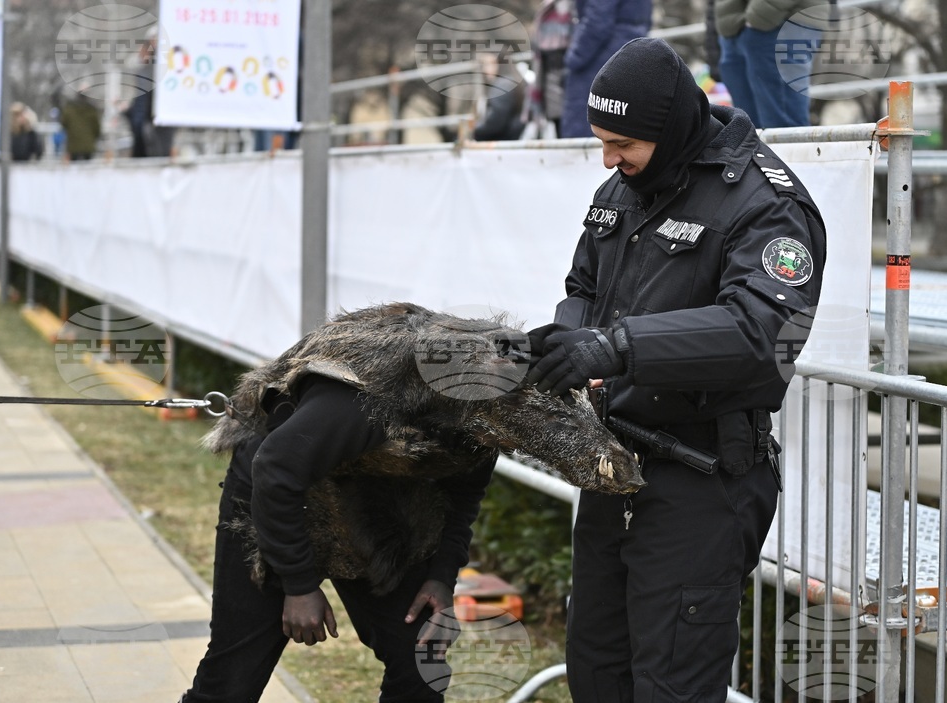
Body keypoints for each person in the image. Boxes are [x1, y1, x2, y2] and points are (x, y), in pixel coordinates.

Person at [524, 37, 827, 701]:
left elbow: (761, 328)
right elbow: (583, 283)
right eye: (602, 142)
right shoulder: (626, 184)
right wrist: (568, 339)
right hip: (611, 471)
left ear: (669, 130)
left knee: (671, 686)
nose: (608, 159)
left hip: (701, 480)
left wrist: (618, 346)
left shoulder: (764, 202)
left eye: (621, 145)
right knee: (597, 673)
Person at [179, 323, 495, 702]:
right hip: (279, 488)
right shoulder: (362, 400)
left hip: (379, 502)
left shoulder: (491, 413)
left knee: (422, 661)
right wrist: (299, 585)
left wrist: (442, 576)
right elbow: (276, 472)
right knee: (233, 677)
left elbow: (462, 498)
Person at [711, 0, 827, 128]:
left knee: (783, 128)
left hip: (777, 21)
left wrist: (759, 15)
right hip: (735, 27)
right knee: (748, 132)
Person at [560, 0, 651, 138]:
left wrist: (573, 57)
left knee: (589, 131)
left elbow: (597, 19)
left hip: (599, 57)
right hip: (629, 47)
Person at [523, 0, 575, 138]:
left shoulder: (568, 8)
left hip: (568, 83)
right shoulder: (546, 10)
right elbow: (540, 58)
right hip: (551, 89)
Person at [59, 89, 102, 162]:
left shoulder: (69, 108)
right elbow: (96, 126)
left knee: (73, 169)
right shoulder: (91, 109)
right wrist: (96, 136)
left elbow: (63, 123)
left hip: (73, 143)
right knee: (87, 168)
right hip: (88, 144)